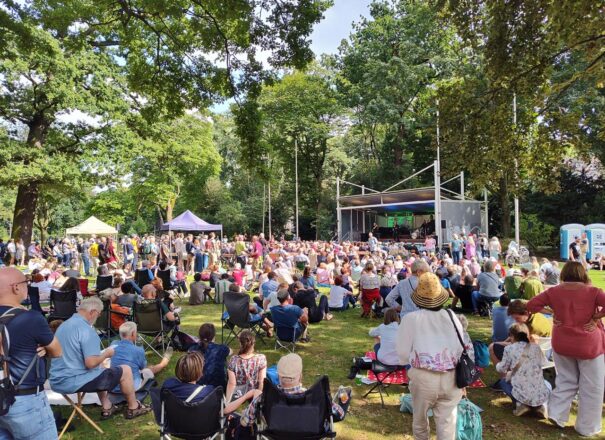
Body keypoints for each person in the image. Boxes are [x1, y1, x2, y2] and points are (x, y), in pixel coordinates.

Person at [527, 261, 605, 437]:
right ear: (582, 274)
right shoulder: (593, 292)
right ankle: (587, 427)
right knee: (592, 386)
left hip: (562, 342)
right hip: (588, 344)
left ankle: (556, 414)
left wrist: (552, 312)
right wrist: (596, 317)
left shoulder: (554, 291)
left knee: (565, 380)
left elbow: (531, 305)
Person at [49, 297, 151, 420]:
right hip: (73, 381)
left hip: (56, 380)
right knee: (126, 369)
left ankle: (107, 407)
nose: (98, 317)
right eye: (98, 314)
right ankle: (134, 407)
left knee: (100, 370)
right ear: (92, 312)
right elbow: (91, 363)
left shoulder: (63, 326)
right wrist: (106, 354)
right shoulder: (86, 330)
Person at [396, 272, 464, 440]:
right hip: (451, 377)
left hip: (423, 377)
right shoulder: (452, 316)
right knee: (447, 425)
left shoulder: (411, 319)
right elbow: (461, 347)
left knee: (420, 422)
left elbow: (403, 354)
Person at [0, 268, 62, 439]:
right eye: (25, 283)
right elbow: (57, 351)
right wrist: (44, 349)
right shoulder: (31, 318)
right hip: (25, 399)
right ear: (16, 288)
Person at [240, 353, 352, 429]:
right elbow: (340, 414)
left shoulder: (264, 398)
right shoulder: (317, 398)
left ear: (278, 376)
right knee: (344, 397)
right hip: (310, 436)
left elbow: (245, 422)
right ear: (301, 376)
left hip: (277, 436)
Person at [162, 352, 258, 410]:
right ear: (200, 373)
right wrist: (247, 395)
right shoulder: (209, 392)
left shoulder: (168, 385)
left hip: (175, 426)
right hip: (203, 428)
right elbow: (225, 410)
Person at [494, 323, 550, 418]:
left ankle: (521, 404)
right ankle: (542, 405)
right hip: (538, 390)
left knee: (503, 382)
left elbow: (502, 368)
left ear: (512, 336)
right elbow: (544, 363)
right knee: (547, 384)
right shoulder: (535, 347)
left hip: (520, 387)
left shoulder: (509, 349)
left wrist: (497, 365)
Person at [110, 322, 171, 392]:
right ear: (133, 334)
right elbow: (143, 368)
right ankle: (163, 363)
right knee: (149, 370)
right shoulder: (138, 350)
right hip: (131, 387)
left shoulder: (113, 344)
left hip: (114, 386)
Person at [225, 331, 267, 402]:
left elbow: (232, 383)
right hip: (254, 391)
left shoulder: (234, 360)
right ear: (253, 343)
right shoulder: (261, 359)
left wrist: (228, 402)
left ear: (240, 343)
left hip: (239, 393)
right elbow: (261, 381)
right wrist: (258, 399)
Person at [188, 323, 231, 389]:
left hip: (196, 387)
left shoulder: (192, 349)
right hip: (217, 388)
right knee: (224, 359)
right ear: (213, 336)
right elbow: (230, 351)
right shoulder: (220, 349)